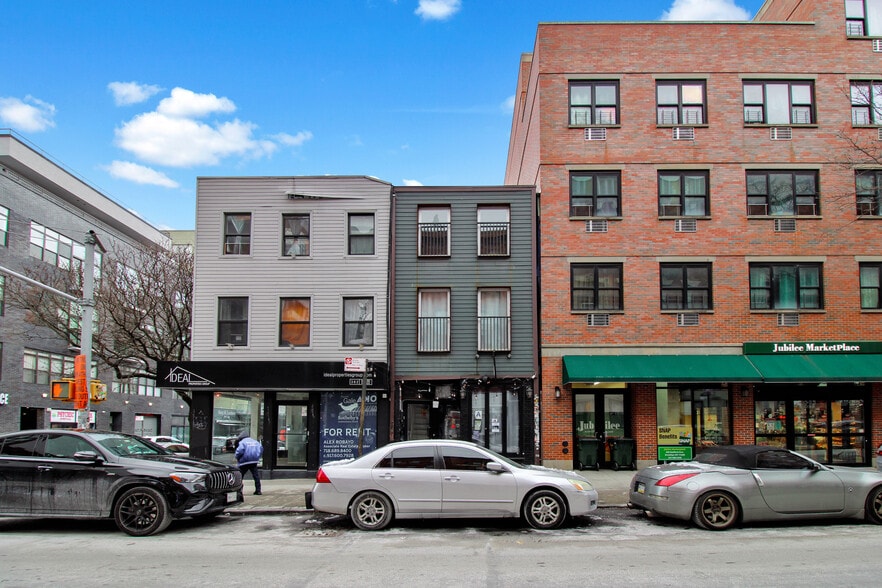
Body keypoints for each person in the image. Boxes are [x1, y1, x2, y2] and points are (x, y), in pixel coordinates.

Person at [235, 430, 263, 495]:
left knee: (240, 476)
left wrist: (237, 457)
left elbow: (239, 451)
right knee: (256, 476)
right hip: (254, 461)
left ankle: (239, 491)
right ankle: (258, 490)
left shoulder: (242, 442)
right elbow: (261, 448)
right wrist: (257, 456)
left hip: (244, 461)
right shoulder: (255, 441)